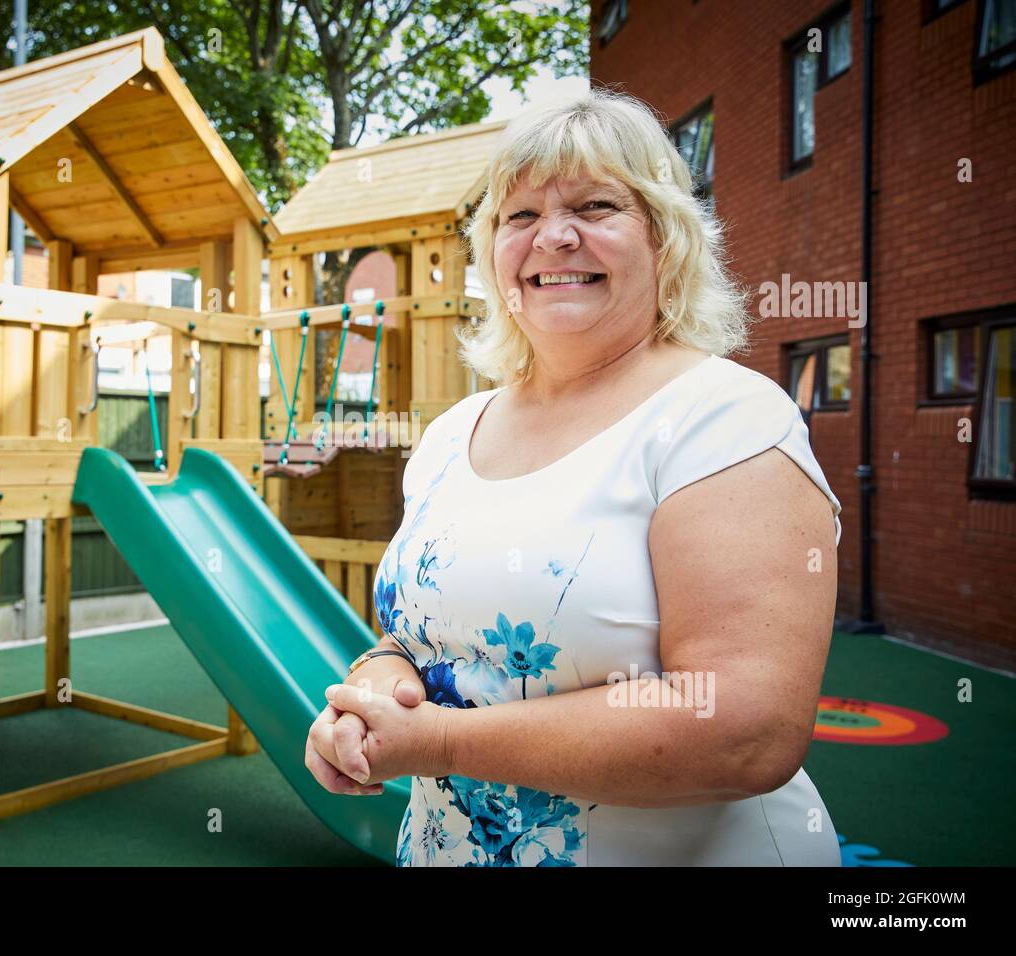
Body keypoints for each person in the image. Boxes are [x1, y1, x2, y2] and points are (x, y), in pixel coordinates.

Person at [304, 86, 843, 866]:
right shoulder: (455, 432)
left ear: (666, 239)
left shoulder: (724, 420)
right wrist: (378, 683)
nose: (552, 238)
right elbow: (419, 631)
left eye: (594, 207)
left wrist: (445, 741)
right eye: (519, 217)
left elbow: (743, 731)